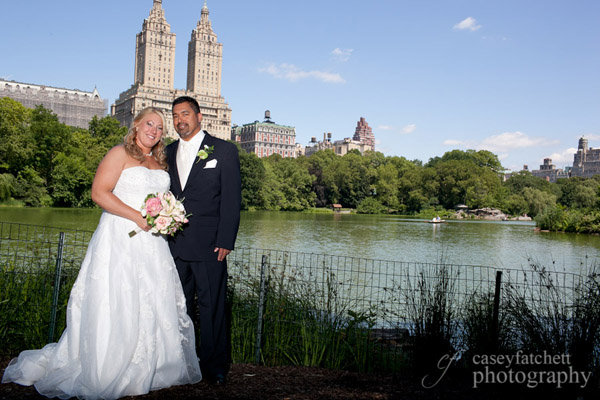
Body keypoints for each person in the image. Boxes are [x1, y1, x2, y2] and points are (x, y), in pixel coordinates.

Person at [2, 108, 202, 398]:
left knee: (152, 297)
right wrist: (137, 217)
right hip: (120, 236)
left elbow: (161, 199)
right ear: (136, 124)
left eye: (160, 128)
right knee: (117, 296)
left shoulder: (159, 162)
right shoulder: (119, 153)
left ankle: (157, 365)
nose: (154, 131)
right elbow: (99, 193)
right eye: (149, 123)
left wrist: (166, 217)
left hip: (153, 243)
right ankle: (108, 364)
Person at [166, 96, 241, 385]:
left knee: (212, 307)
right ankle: (180, 362)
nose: (180, 120)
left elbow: (231, 200)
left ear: (199, 117)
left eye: (185, 114)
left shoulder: (223, 150)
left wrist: (226, 240)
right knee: (176, 305)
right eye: (175, 116)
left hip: (211, 245)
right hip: (173, 244)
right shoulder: (167, 152)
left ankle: (214, 367)